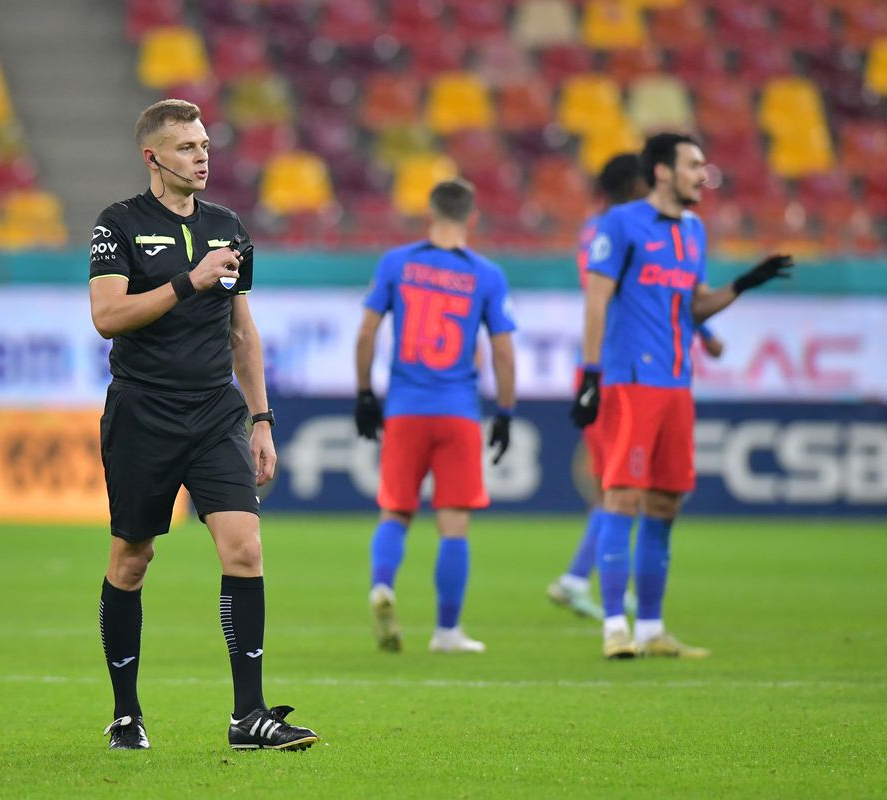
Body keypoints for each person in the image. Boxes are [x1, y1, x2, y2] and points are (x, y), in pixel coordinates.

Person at [88, 99, 318, 751]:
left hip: (215, 411)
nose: (202, 157)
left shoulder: (228, 227)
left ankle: (250, 717)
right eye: (187, 147)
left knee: (244, 547)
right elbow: (107, 316)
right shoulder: (120, 224)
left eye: (206, 146)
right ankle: (126, 712)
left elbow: (243, 332)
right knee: (132, 559)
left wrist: (263, 419)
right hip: (144, 411)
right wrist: (188, 283)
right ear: (153, 157)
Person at [572, 133, 791, 659]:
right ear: (663, 172)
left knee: (666, 503)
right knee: (621, 496)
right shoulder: (621, 224)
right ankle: (613, 629)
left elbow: (691, 308)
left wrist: (741, 286)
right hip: (631, 383)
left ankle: (651, 629)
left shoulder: (694, 232)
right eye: (693, 164)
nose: (702, 174)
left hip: (676, 386)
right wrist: (590, 375)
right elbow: (597, 302)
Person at [548, 154, 726, 621]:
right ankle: (579, 580)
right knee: (623, 483)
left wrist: (701, 333)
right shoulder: (617, 228)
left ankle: (585, 577)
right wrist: (705, 334)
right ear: (636, 184)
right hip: (619, 369)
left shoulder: (604, 228)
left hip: (619, 367)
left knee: (624, 483)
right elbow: (633, 290)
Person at [354, 178, 517, 654]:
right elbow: (503, 354)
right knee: (454, 523)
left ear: (429, 215)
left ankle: (382, 585)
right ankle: (447, 631)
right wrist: (505, 412)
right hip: (459, 413)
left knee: (395, 511)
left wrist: (365, 393)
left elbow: (366, 334)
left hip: (405, 409)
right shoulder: (486, 275)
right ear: (472, 218)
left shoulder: (397, 263)